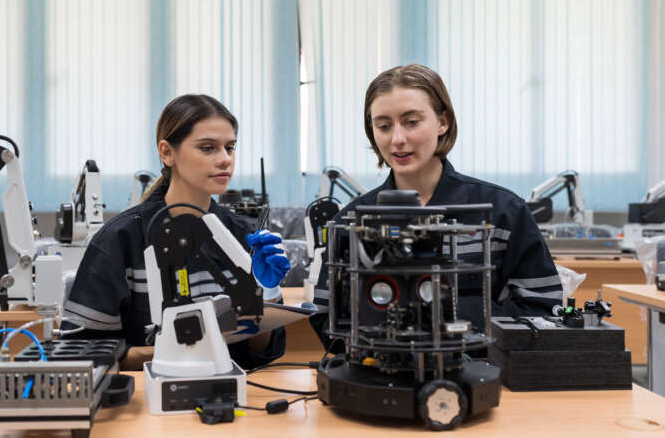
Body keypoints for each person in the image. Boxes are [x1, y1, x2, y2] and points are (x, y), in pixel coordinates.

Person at [310, 64, 562, 347]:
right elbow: (327, 319)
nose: (397, 139)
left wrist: (443, 320)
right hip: (377, 378)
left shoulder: (503, 212)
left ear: (443, 122)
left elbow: (544, 312)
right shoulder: (352, 220)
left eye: (412, 122)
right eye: (383, 125)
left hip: (484, 377)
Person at [65, 94, 289, 370]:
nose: (224, 160)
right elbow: (85, 350)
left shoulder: (243, 234)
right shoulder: (120, 239)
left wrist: (266, 292)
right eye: (208, 148)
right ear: (167, 152)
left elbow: (263, 350)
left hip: (232, 397)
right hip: (147, 401)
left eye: (230, 148)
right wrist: (188, 351)